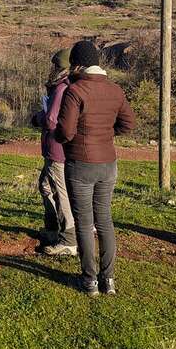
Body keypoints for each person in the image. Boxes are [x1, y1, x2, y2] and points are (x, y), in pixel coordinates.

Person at [58, 40, 136, 296]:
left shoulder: (75, 91)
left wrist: (60, 137)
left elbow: (66, 132)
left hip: (80, 164)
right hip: (108, 163)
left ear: (78, 64)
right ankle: (109, 279)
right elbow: (128, 124)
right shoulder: (115, 90)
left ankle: (89, 279)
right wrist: (105, 134)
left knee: (84, 223)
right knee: (104, 220)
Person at [31, 50, 77, 256]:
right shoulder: (71, 85)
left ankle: (68, 239)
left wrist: (38, 118)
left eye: (55, 66)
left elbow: (51, 119)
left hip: (56, 148)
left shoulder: (61, 88)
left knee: (60, 190)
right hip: (58, 147)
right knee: (45, 185)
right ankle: (52, 229)